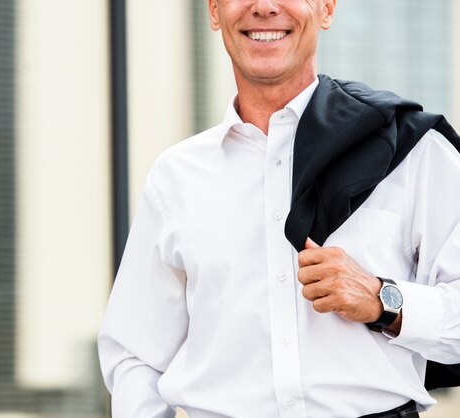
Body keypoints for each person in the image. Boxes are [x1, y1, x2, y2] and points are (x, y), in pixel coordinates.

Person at [98, 0, 460, 417]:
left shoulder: (412, 152)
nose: (265, 7)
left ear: (326, 9)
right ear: (215, 12)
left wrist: (384, 301)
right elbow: (135, 354)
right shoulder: (176, 178)